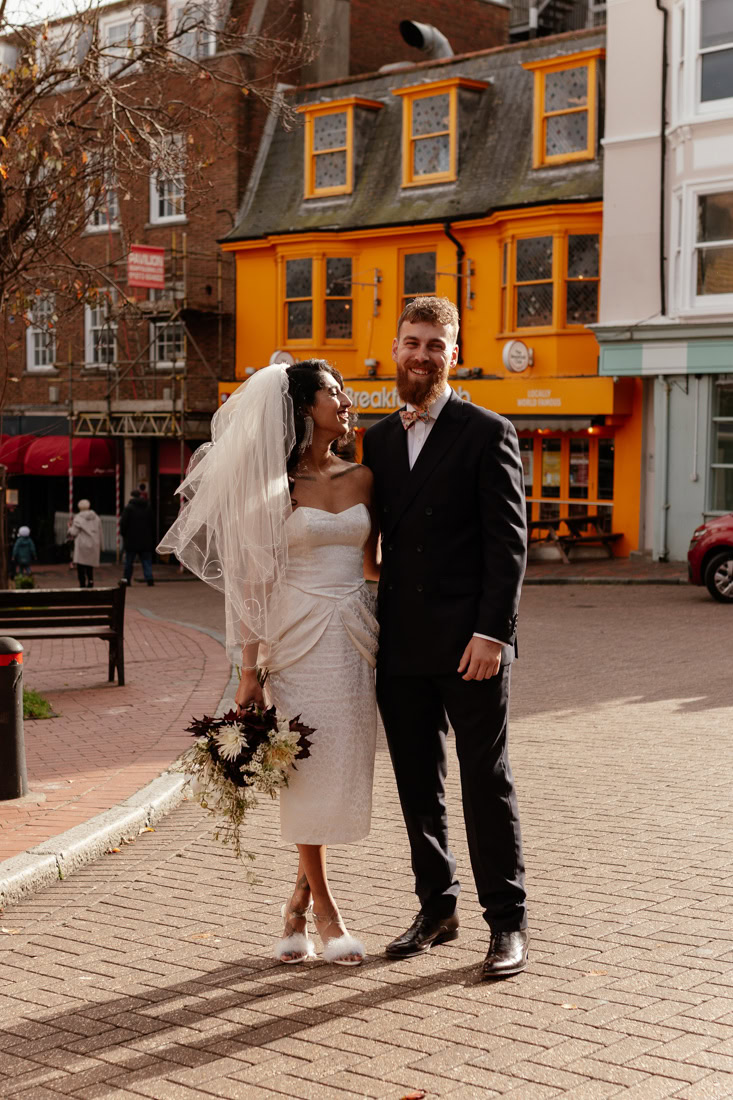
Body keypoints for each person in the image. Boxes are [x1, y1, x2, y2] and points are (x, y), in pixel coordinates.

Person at [158, 361, 380, 966]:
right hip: (296, 639)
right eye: (332, 392)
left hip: (357, 639)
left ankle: (296, 907)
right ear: (304, 408)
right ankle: (327, 913)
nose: (344, 400)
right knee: (307, 771)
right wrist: (248, 673)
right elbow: (253, 584)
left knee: (342, 771)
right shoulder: (273, 489)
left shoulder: (364, 477)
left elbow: (374, 564)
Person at [361, 296, 529, 981]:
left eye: (435, 344)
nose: (421, 354)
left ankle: (507, 923)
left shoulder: (485, 430)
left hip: (471, 646)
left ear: (453, 354)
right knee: (415, 784)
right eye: (411, 342)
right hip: (399, 643)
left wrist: (493, 632)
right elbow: (374, 542)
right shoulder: (373, 439)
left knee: (484, 781)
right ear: (394, 348)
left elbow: (508, 543)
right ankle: (436, 908)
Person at [120, 490, 155, 586]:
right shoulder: (147, 507)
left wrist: (124, 535)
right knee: (146, 561)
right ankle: (149, 578)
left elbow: (123, 524)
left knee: (129, 562)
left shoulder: (128, 508)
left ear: (131, 497)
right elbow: (152, 524)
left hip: (131, 540)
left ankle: (126, 580)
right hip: (146, 540)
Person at [68, 500, 102, 588]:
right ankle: (90, 581)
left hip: (82, 544)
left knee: (81, 567)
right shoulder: (96, 517)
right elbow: (100, 532)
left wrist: (69, 528)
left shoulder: (78, 518)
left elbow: (74, 532)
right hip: (93, 543)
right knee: (90, 567)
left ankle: (82, 584)